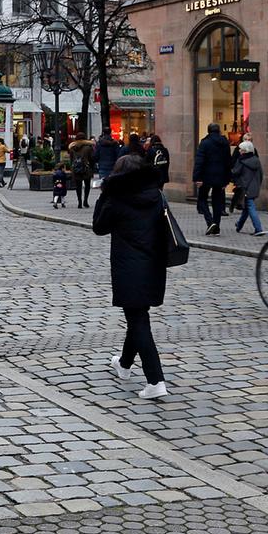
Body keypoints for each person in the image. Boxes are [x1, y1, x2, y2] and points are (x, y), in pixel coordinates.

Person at [92, 153, 168, 400]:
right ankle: (124, 365)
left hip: (129, 268)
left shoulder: (117, 197)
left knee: (138, 320)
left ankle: (155, 380)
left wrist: (105, 192)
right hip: (153, 265)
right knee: (138, 316)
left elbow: (99, 227)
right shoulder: (156, 195)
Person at [192, 124, 233, 235]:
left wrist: (197, 177)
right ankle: (217, 226)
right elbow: (228, 161)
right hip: (220, 176)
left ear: (208, 131)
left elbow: (199, 161)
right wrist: (227, 179)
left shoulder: (205, 143)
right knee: (217, 202)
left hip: (206, 176)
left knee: (202, 200)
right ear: (219, 130)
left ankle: (210, 223)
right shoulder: (224, 143)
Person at [231, 140, 266, 235]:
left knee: (250, 207)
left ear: (245, 150)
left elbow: (235, 172)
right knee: (246, 208)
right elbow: (261, 175)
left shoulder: (241, 160)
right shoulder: (256, 160)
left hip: (245, 188)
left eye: (241, 149)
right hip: (254, 187)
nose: (239, 151)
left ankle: (258, 229)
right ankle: (239, 225)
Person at [67, 133, 96, 208]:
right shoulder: (88, 148)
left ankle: (79, 202)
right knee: (87, 185)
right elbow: (92, 159)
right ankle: (85, 201)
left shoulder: (72, 148)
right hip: (86, 169)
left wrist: (72, 169)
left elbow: (71, 160)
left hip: (76, 169)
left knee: (78, 186)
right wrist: (92, 168)